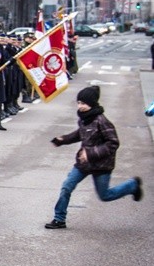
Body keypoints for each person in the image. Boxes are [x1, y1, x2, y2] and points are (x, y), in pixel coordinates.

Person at [45, 86, 143, 229]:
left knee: (105, 196)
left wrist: (90, 153)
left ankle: (132, 185)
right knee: (67, 187)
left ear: (92, 103)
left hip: (101, 166)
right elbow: (80, 134)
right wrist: (62, 140)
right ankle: (59, 219)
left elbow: (113, 143)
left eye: (83, 103)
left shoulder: (102, 121)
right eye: (78, 103)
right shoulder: (84, 120)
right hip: (83, 164)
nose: (80, 106)